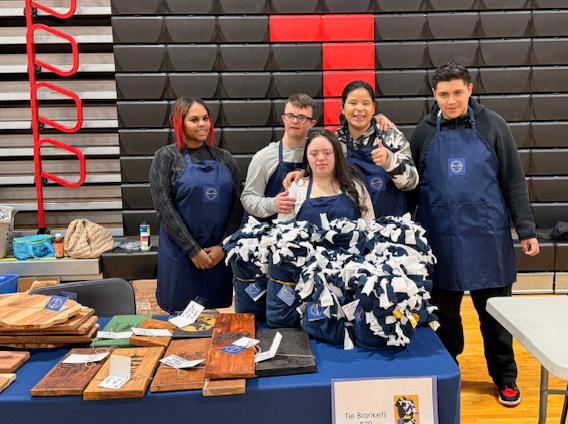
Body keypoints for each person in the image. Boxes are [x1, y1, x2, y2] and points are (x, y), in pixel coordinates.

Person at [409, 63, 540, 407]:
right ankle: (448, 372)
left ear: (470, 89)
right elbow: (409, 188)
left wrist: (526, 228)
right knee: (443, 317)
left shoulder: (494, 125)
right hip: (439, 240)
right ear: (434, 95)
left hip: (487, 237)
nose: (451, 100)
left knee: (495, 317)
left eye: (457, 92)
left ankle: (505, 377)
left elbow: (513, 180)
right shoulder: (422, 132)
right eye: (443, 94)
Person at [149, 97, 241, 313]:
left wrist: (223, 247)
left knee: (215, 317)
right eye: (194, 120)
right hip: (181, 255)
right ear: (180, 123)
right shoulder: (166, 157)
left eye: (205, 118)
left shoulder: (225, 159)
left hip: (217, 255)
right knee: (179, 318)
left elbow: (237, 207)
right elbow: (164, 208)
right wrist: (192, 250)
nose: (202, 124)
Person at [337, 80, 418, 217]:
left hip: (391, 224)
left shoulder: (391, 136)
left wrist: (389, 161)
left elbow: (412, 182)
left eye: (365, 103)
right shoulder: (335, 143)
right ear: (343, 108)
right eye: (353, 103)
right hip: (352, 224)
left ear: (373, 108)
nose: (359, 108)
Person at [240, 93, 317, 221]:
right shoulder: (264, 157)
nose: (295, 121)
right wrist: (273, 204)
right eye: (290, 116)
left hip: (307, 228)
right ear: (283, 119)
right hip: (268, 230)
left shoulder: (318, 155)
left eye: (302, 117)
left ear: (312, 123)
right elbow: (248, 197)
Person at [279, 129, 374, 225]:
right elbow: (283, 230)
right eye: (314, 154)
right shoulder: (295, 189)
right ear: (306, 156)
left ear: (337, 155)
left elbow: (371, 227)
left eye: (327, 153)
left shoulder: (356, 187)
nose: (320, 158)